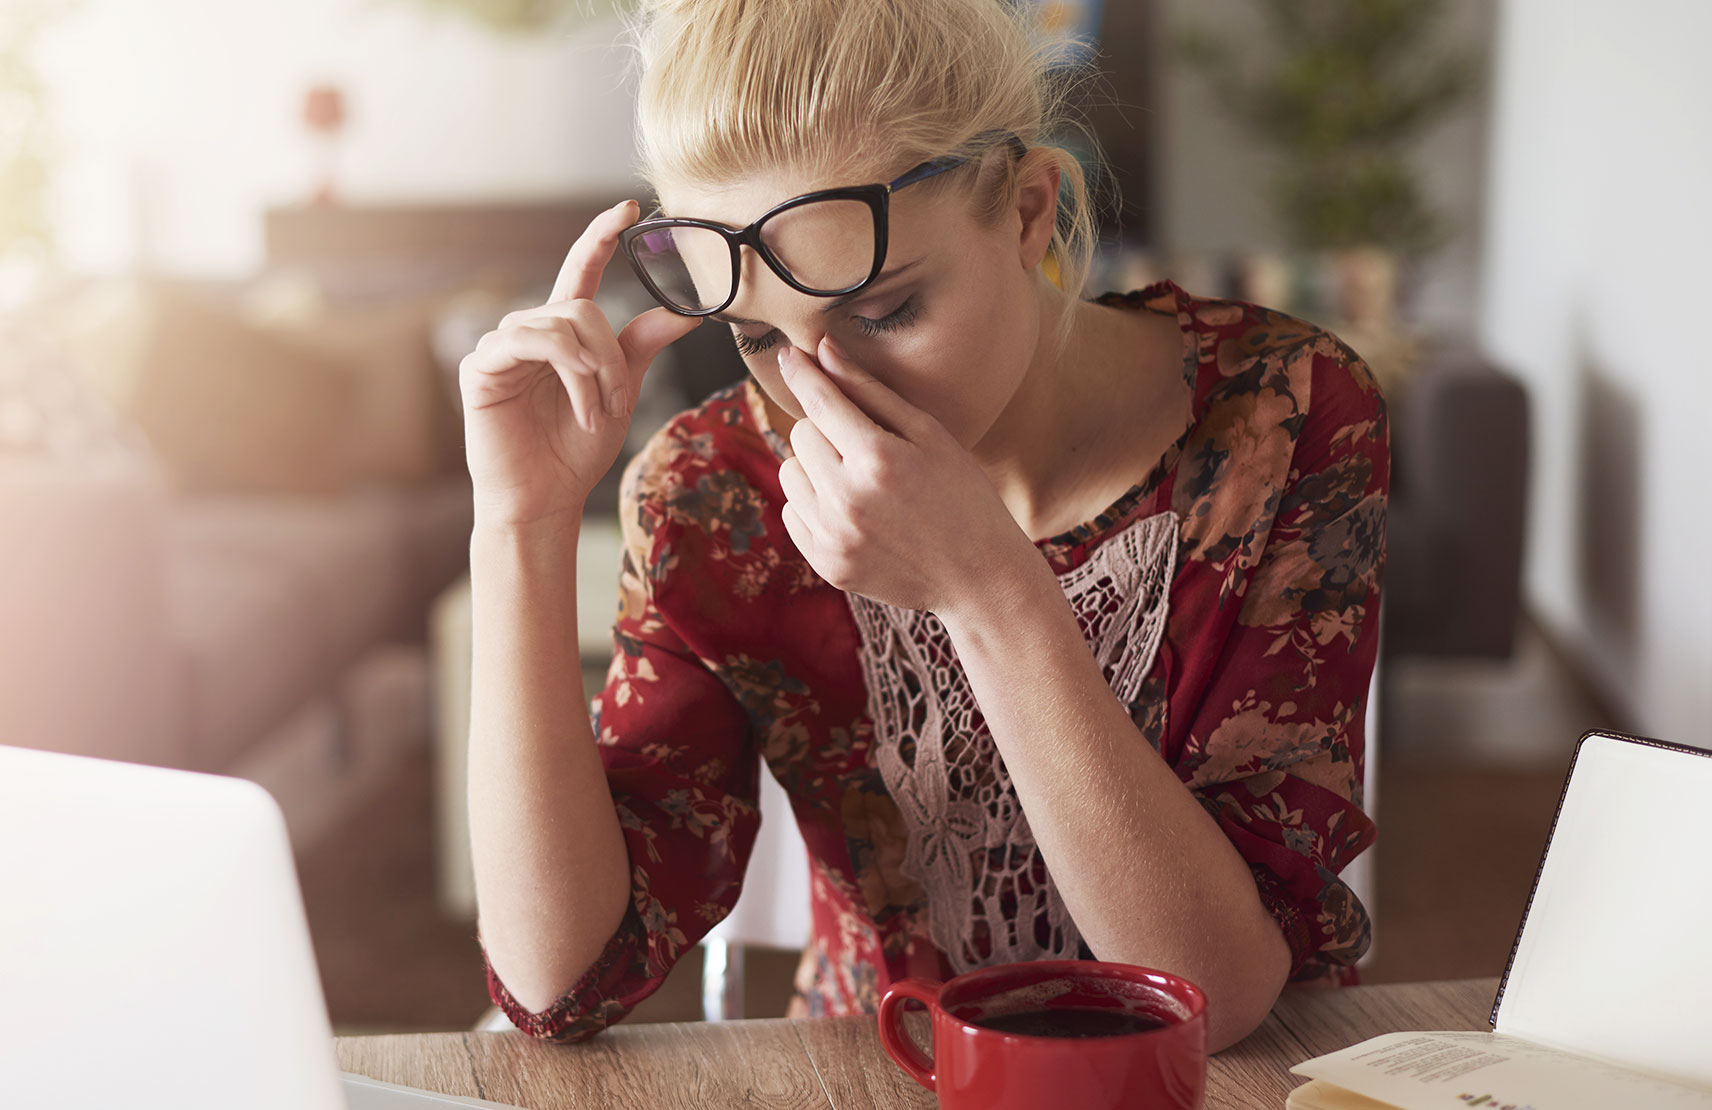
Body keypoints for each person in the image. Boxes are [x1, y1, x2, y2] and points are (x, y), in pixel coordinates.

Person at [463, 0, 1387, 1055]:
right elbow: (559, 983)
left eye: (885, 310)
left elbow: (1212, 999)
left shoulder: (1280, 412)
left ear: (1030, 210)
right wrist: (519, 524)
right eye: (760, 336)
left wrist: (990, 593)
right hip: (880, 1069)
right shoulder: (716, 491)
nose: (826, 396)